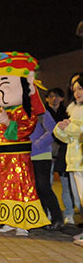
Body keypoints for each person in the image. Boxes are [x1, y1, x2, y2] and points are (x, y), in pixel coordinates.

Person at [0, 52, 50, 236]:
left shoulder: (20, 111)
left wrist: (7, 122)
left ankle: (22, 222)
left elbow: (27, 127)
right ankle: (7, 219)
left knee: (19, 188)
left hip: (14, 158)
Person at [54, 72, 83, 246]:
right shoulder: (74, 111)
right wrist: (61, 128)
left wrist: (69, 127)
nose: (77, 93)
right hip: (74, 162)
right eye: (74, 90)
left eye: (80, 88)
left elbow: (79, 132)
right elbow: (67, 137)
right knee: (80, 199)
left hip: (81, 161)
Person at [46, 87, 78, 224]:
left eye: (57, 96)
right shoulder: (43, 113)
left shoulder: (68, 112)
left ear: (62, 98)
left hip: (63, 153)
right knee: (46, 185)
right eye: (51, 96)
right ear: (47, 98)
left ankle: (69, 214)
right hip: (46, 153)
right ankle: (47, 212)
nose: (54, 99)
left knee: (66, 186)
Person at [30, 110, 64, 230]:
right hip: (25, 155)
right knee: (34, 188)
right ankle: (41, 218)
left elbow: (53, 130)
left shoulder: (41, 112)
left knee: (43, 186)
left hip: (41, 153)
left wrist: (38, 143)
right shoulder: (17, 110)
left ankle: (57, 218)